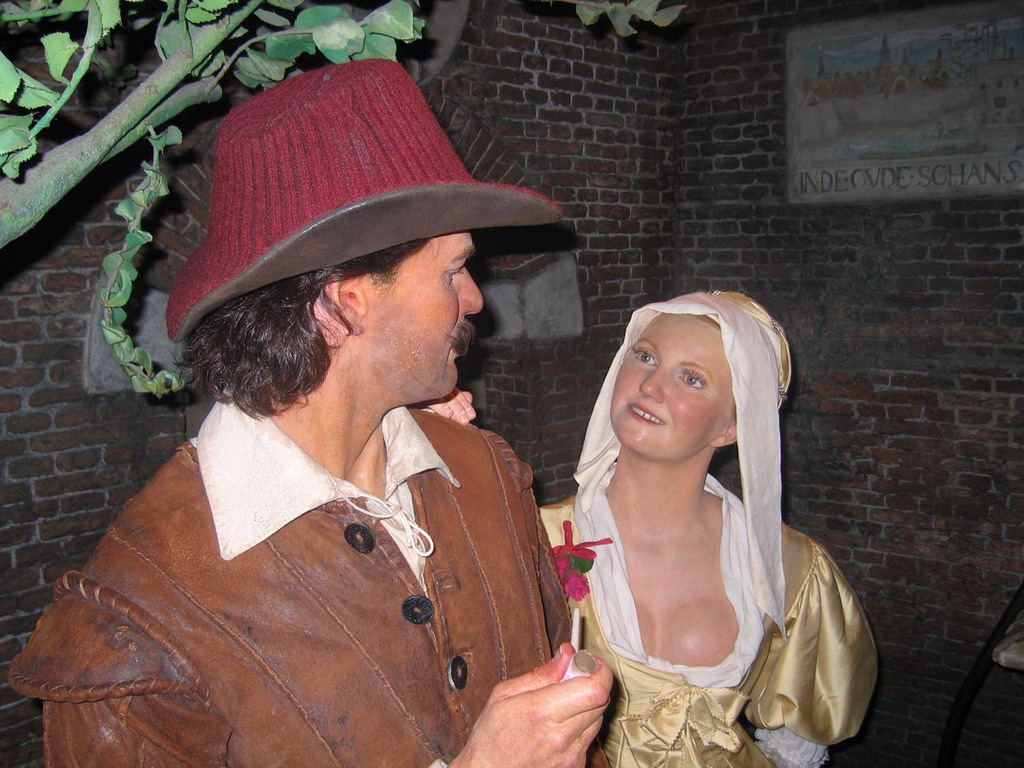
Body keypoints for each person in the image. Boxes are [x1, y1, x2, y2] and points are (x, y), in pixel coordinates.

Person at [9, 59, 611, 768]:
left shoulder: (488, 475)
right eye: (453, 270)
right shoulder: (136, 624)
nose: (476, 299)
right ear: (344, 302)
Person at [538, 292, 877, 768]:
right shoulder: (534, 540)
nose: (650, 385)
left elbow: (799, 736)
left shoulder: (791, 569)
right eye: (646, 356)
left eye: (692, 378)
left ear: (730, 428)